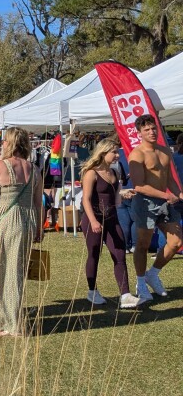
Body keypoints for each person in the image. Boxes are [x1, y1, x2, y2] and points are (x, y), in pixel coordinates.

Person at [0, 127, 43, 337]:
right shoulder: (35, 169)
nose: (2, 144)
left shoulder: (0, 166)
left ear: (11, 143)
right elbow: (38, 203)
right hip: (28, 220)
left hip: (7, 220)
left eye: (5, 141)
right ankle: (9, 318)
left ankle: (6, 323)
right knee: (18, 270)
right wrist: (39, 227)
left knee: (3, 270)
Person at [79, 138, 141, 308]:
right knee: (94, 254)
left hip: (112, 219)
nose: (117, 155)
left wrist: (124, 193)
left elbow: (115, 199)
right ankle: (92, 291)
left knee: (120, 254)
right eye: (113, 152)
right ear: (103, 152)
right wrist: (93, 221)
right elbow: (86, 199)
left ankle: (126, 295)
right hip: (94, 219)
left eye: (117, 151)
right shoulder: (91, 172)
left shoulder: (114, 173)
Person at [128, 114, 183, 302]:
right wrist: (167, 195)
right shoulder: (137, 154)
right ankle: (141, 283)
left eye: (153, 128)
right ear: (139, 133)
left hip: (165, 202)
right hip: (145, 203)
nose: (151, 132)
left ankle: (153, 274)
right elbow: (139, 186)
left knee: (175, 242)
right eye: (147, 130)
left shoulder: (165, 151)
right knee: (143, 245)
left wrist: (179, 194)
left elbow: (169, 180)